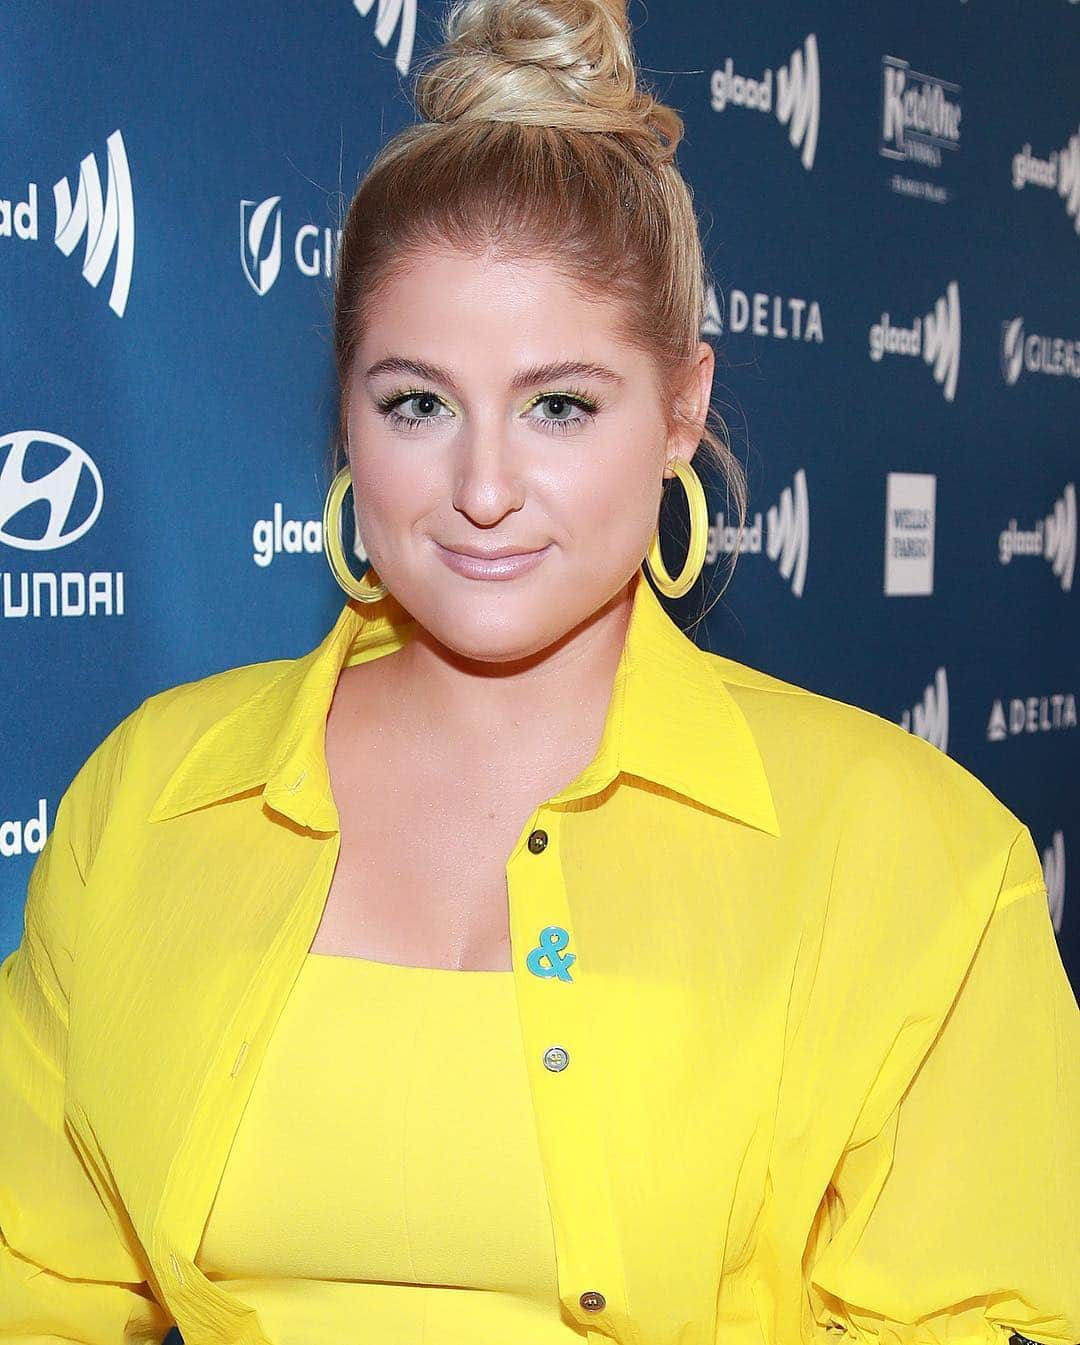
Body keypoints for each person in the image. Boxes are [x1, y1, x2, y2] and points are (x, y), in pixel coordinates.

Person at [2, 1, 1078, 1343]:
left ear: (682, 408)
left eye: (559, 404)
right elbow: (29, 1279)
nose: (484, 490)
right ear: (344, 413)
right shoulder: (150, 799)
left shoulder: (913, 859)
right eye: (418, 403)